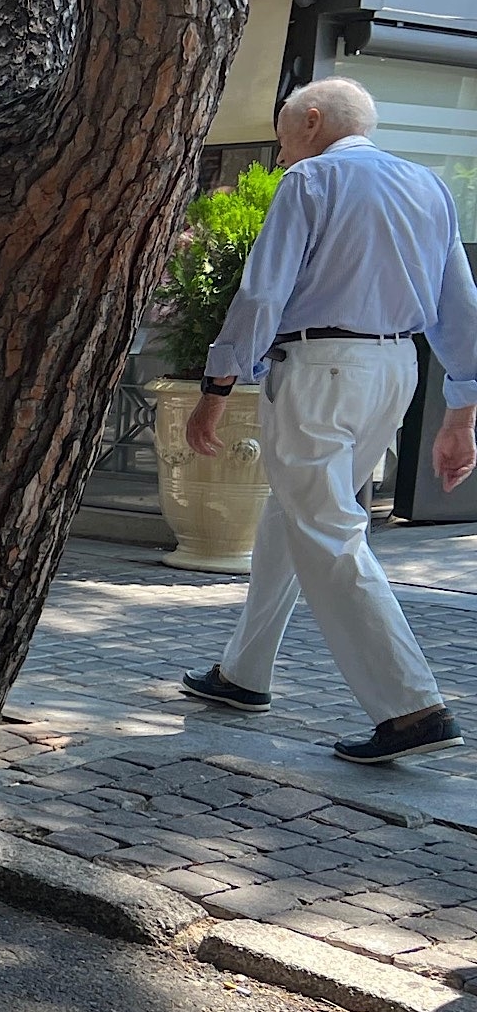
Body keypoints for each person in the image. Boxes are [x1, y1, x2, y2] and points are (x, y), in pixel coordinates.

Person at [180, 77, 477, 764]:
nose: (281, 153)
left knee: (328, 528)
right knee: (298, 513)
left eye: (284, 135)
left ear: (312, 121)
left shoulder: (310, 181)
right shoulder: (428, 187)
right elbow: (460, 305)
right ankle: (243, 674)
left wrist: (218, 384)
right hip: (396, 368)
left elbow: (262, 292)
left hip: (321, 368)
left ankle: (412, 708)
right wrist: (462, 412)